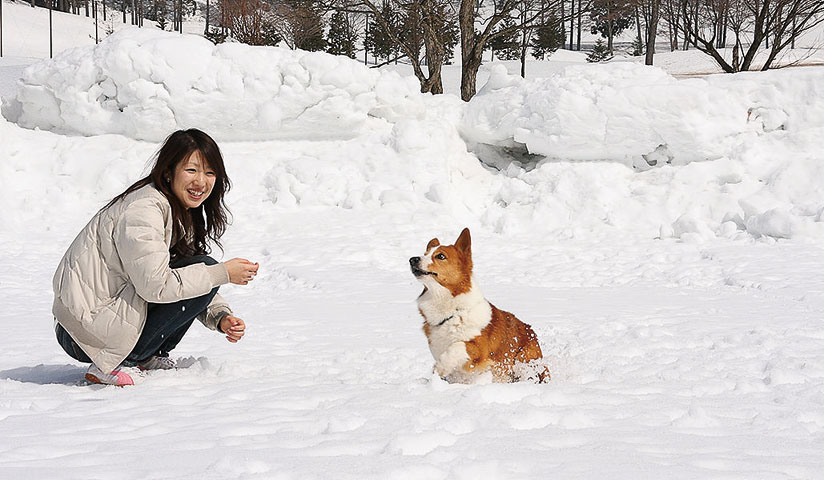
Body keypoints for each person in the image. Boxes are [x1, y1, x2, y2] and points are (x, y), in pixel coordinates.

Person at [52, 129, 260, 386]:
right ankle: (121, 361)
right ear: (168, 171)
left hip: (103, 319)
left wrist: (220, 317)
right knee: (206, 268)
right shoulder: (144, 210)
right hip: (82, 332)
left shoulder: (175, 208)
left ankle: (145, 354)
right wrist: (223, 273)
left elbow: (185, 271)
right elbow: (156, 286)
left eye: (210, 172)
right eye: (192, 170)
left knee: (202, 267)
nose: (201, 182)